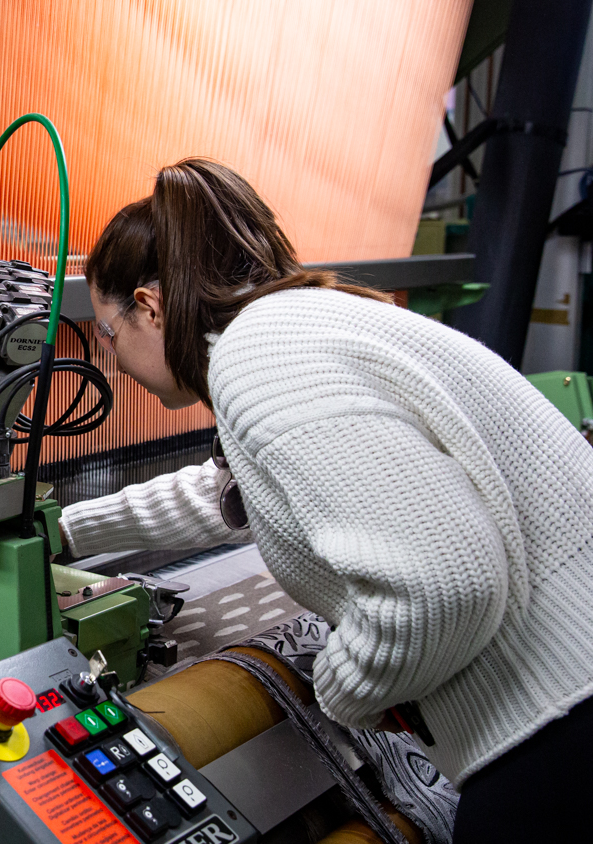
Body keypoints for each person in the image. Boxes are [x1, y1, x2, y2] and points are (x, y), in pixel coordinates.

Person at [58, 158, 593, 843]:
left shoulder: (258, 361)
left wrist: (343, 689)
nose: (109, 359)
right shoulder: (293, 327)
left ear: (151, 307)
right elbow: (237, 492)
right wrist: (66, 529)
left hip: (556, 724)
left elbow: (441, 588)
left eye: (107, 334)